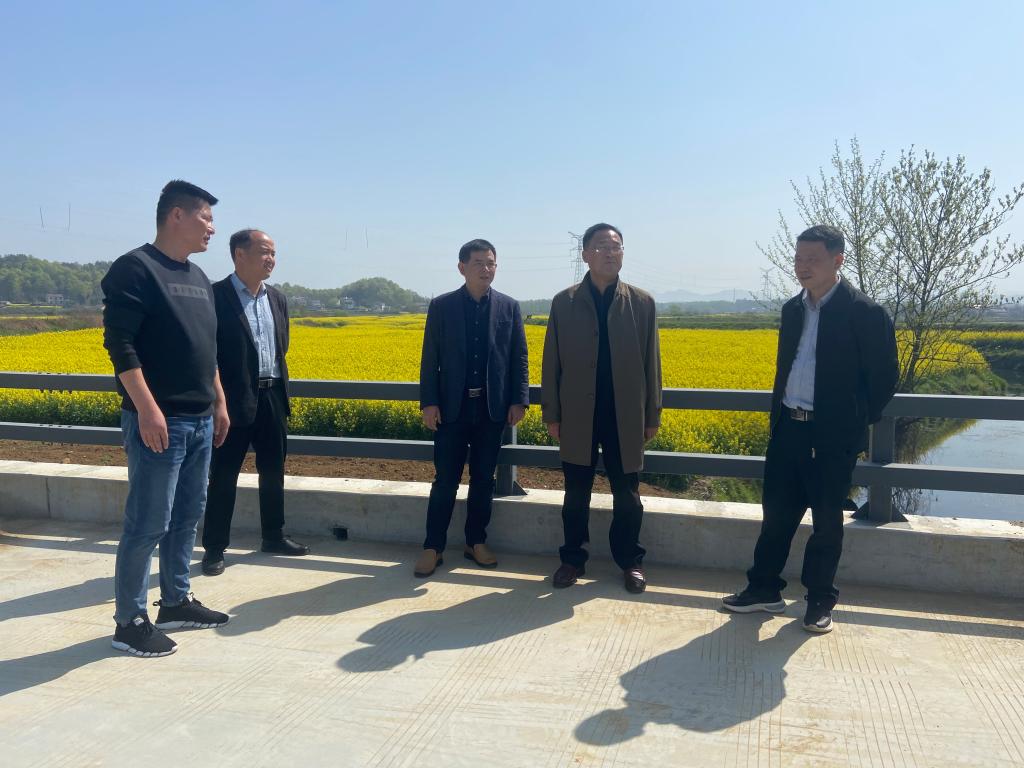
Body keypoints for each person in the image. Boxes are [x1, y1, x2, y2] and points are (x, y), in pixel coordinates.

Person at [722, 225, 899, 633]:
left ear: (837, 261)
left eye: (812, 260)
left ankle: (819, 600)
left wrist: (851, 421)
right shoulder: (793, 309)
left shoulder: (865, 312)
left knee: (826, 522)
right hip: (789, 428)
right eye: (798, 259)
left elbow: (884, 378)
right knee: (776, 515)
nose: (802, 267)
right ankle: (763, 588)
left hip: (832, 436)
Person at [102, 180, 231, 657]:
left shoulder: (198, 277)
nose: (212, 228)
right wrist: (147, 408)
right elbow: (120, 345)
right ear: (176, 215)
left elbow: (207, 349)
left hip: (199, 419)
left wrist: (219, 402)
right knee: (147, 522)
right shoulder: (135, 268)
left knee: (187, 516)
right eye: (206, 217)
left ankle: (175, 601)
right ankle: (129, 622)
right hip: (161, 422)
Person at [541, 223, 662, 593]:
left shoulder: (642, 303)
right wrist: (552, 413)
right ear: (585, 255)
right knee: (576, 493)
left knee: (628, 496)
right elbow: (551, 362)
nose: (610, 252)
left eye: (616, 246)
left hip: (625, 415)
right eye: (601, 246)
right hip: (578, 414)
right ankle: (571, 559)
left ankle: (631, 561)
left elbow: (652, 364)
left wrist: (651, 414)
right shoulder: (564, 302)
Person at [415, 238, 529, 577]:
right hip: (452, 410)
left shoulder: (509, 307)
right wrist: (429, 403)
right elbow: (430, 358)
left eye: (491, 263)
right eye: (479, 263)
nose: (486, 269)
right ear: (462, 267)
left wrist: (519, 399)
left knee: (483, 479)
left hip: (492, 410)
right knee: (445, 480)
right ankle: (432, 546)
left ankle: (475, 541)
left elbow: (519, 357)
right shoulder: (442, 306)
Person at [201, 229, 307, 577]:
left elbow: (281, 347)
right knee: (223, 475)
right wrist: (218, 401)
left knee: (273, 470)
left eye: (273, 253)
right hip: (232, 400)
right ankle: (214, 548)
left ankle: (274, 536)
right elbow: (208, 353)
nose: (271, 259)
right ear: (239, 255)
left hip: (272, 394)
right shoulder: (215, 296)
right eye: (264, 252)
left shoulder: (277, 298)